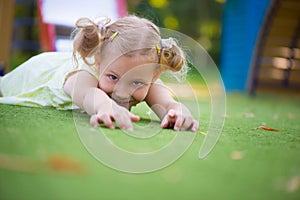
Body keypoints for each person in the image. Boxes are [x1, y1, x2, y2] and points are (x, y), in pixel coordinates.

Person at [0, 15, 198, 132]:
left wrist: (176, 112)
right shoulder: (82, 76)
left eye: (136, 83)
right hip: (34, 74)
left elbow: (167, 104)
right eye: (113, 77)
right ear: (98, 63)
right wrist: (105, 105)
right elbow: (89, 94)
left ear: (154, 77)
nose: (122, 92)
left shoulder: (147, 75)